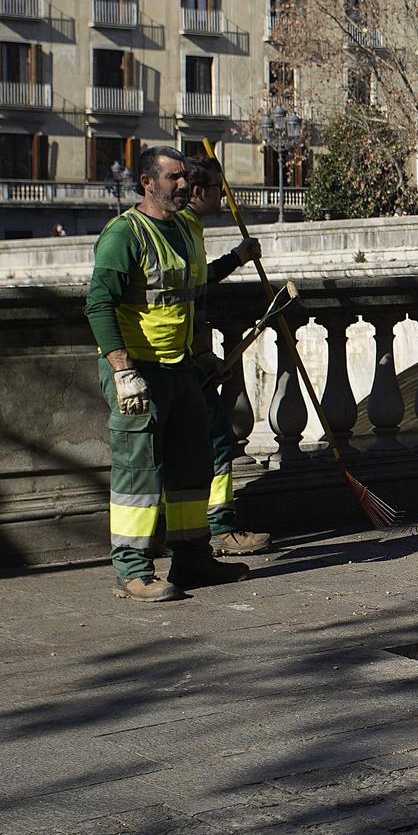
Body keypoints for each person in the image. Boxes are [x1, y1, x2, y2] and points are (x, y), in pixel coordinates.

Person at [83, 147, 258, 602]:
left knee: (190, 466)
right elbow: (98, 304)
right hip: (139, 369)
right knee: (138, 471)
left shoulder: (183, 228)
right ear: (147, 182)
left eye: (184, 177)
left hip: (179, 368)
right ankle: (132, 569)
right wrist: (122, 370)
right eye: (174, 177)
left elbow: (191, 291)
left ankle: (192, 558)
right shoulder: (124, 235)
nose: (185, 185)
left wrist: (236, 260)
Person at [184, 154, 271, 555]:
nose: (225, 197)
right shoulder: (182, 229)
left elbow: (197, 283)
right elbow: (184, 296)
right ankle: (219, 527)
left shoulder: (187, 229)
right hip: (179, 358)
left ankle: (197, 534)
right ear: (198, 191)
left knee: (200, 443)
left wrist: (237, 257)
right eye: (221, 190)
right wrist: (200, 352)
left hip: (184, 354)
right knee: (217, 440)